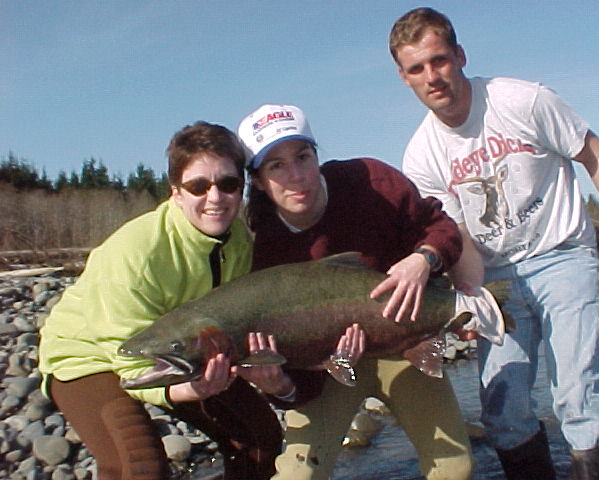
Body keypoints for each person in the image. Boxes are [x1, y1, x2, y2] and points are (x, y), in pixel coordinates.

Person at [389, 7, 599, 479]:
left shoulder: (522, 100)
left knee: (578, 399)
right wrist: (468, 303)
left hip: (563, 255)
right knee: (503, 413)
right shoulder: (421, 155)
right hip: (495, 276)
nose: (432, 76)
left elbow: (594, 154)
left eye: (439, 60)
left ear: (460, 56)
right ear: (404, 78)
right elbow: (456, 234)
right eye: (417, 68)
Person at [236, 103, 474, 480]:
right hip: (330, 372)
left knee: (454, 469)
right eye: (276, 165)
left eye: (303, 157)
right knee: (299, 476)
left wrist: (423, 260)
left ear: (317, 156)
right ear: (260, 181)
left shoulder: (371, 181)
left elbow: (440, 227)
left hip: (403, 343)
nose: (296, 175)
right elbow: (298, 379)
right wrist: (279, 386)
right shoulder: (265, 253)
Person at [38, 122, 285, 480]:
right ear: (176, 193)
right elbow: (130, 364)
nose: (215, 197)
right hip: (89, 356)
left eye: (228, 184)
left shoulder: (239, 244)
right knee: (140, 466)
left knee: (260, 437)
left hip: (179, 347)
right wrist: (189, 389)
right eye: (198, 186)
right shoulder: (135, 255)